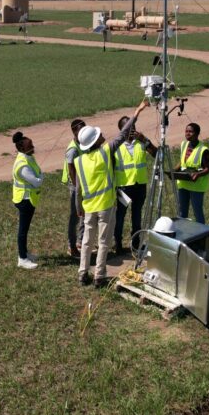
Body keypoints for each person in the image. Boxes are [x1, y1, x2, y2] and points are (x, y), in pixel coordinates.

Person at [75, 100, 149, 286]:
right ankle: (99, 275)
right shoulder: (105, 152)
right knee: (103, 242)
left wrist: (79, 208)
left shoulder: (79, 161)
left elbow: (78, 189)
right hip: (106, 206)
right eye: (100, 135)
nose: (103, 136)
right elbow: (123, 134)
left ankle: (83, 273)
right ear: (95, 140)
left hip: (88, 207)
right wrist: (138, 110)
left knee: (86, 242)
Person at [113, 115, 157, 254]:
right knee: (120, 216)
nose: (132, 130)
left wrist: (145, 139)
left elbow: (157, 154)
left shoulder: (141, 143)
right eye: (128, 128)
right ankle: (118, 244)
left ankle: (136, 243)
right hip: (123, 187)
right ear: (122, 130)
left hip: (140, 186)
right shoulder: (116, 146)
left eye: (134, 127)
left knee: (137, 216)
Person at [11, 131, 43, 270]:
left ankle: (25, 253)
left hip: (28, 198)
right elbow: (37, 181)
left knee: (25, 229)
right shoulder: (23, 165)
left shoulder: (28, 157)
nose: (33, 146)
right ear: (22, 148)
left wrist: (40, 176)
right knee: (23, 230)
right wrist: (42, 176)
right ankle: (22, 259)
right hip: (25, 200)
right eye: (30, 145)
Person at [61, 119, 86, 259]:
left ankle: (81, 242)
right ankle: (72, 247)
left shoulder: (83, 144)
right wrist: (78, 189)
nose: (83, 132)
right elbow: (71, 170)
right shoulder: (73, 149)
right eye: (80, 130)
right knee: (75, 216)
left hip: (84, 184)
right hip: (76, 186)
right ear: (74, 131)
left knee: (84, 213)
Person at [177, 122, 209, 223]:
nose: (187, 133)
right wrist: (173, 171)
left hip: (196, 186)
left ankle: (202, 236)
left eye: (190, 132)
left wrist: (197, 174)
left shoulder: (203, 149)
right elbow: (182, 161)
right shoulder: (183, 144)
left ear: (197, 134)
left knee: (197, 212)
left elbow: (207, 169)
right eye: (186, 131)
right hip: (183, 184)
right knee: (182, 213)